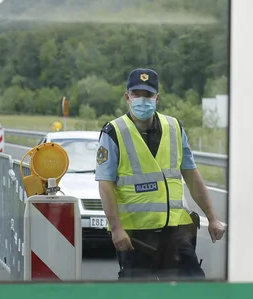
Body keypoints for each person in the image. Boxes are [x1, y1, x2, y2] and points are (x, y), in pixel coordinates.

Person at [96, 68, 225, 280]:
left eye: (148, 95)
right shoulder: (114, 132)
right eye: (137, 95)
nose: (142, 100)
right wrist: (116, 229)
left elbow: (192, 176)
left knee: (194, 291)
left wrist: (212, 218)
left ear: (157, 98)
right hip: (136, 237)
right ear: (127, 97)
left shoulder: (174, 127)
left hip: (175, 232)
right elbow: (105, 184)